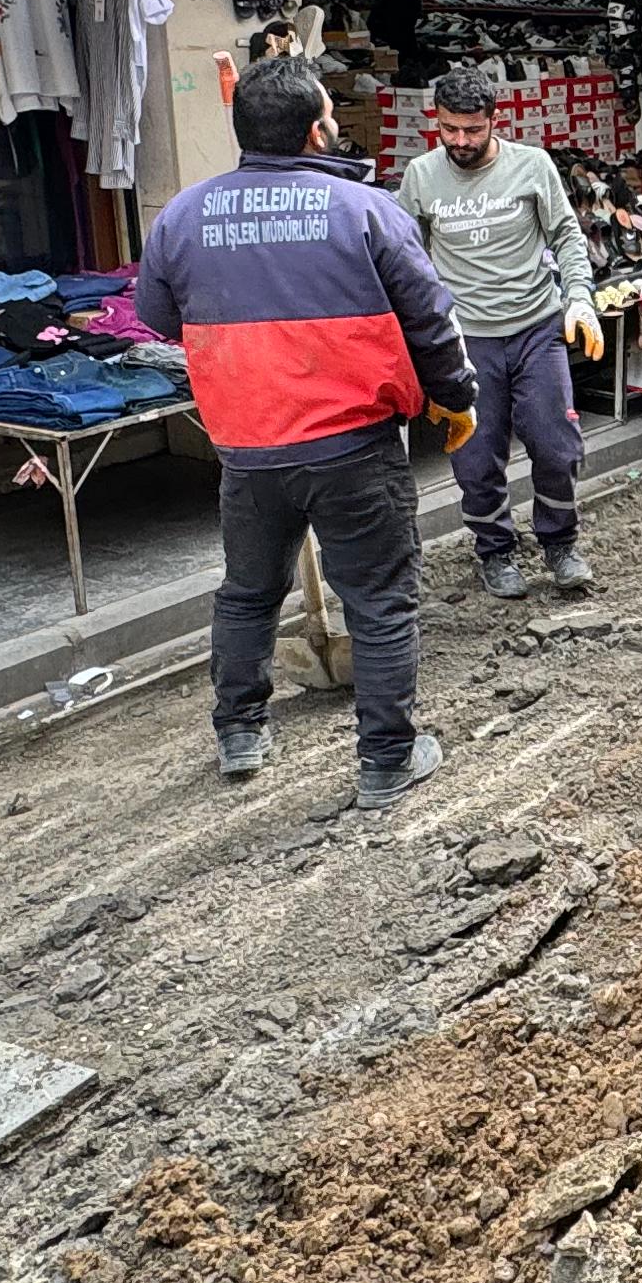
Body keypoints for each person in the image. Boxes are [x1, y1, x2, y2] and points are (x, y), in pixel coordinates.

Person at [132, 56, 476, 802]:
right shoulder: (365, 209)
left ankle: (240, 734)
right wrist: (454, 397)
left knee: (248, 592)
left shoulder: (183, 216)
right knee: (380, 602)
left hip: (247, 449)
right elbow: (432, 322)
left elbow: (157, 318)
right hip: (354, 446)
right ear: (318, 130)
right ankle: (387, 761)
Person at [395, 70, 607, 598]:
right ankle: (495, 551)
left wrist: (580, 298)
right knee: (475, 456)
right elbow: (405, 258)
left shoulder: (532, 166)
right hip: (465, 343)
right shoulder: (420, 177)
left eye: (471, 130)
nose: (460, 142)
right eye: (449, 130)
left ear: (496, 120)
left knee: (557, 446)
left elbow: (566, 235)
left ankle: (560, 544)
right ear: (436, 123)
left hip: (537, 327)